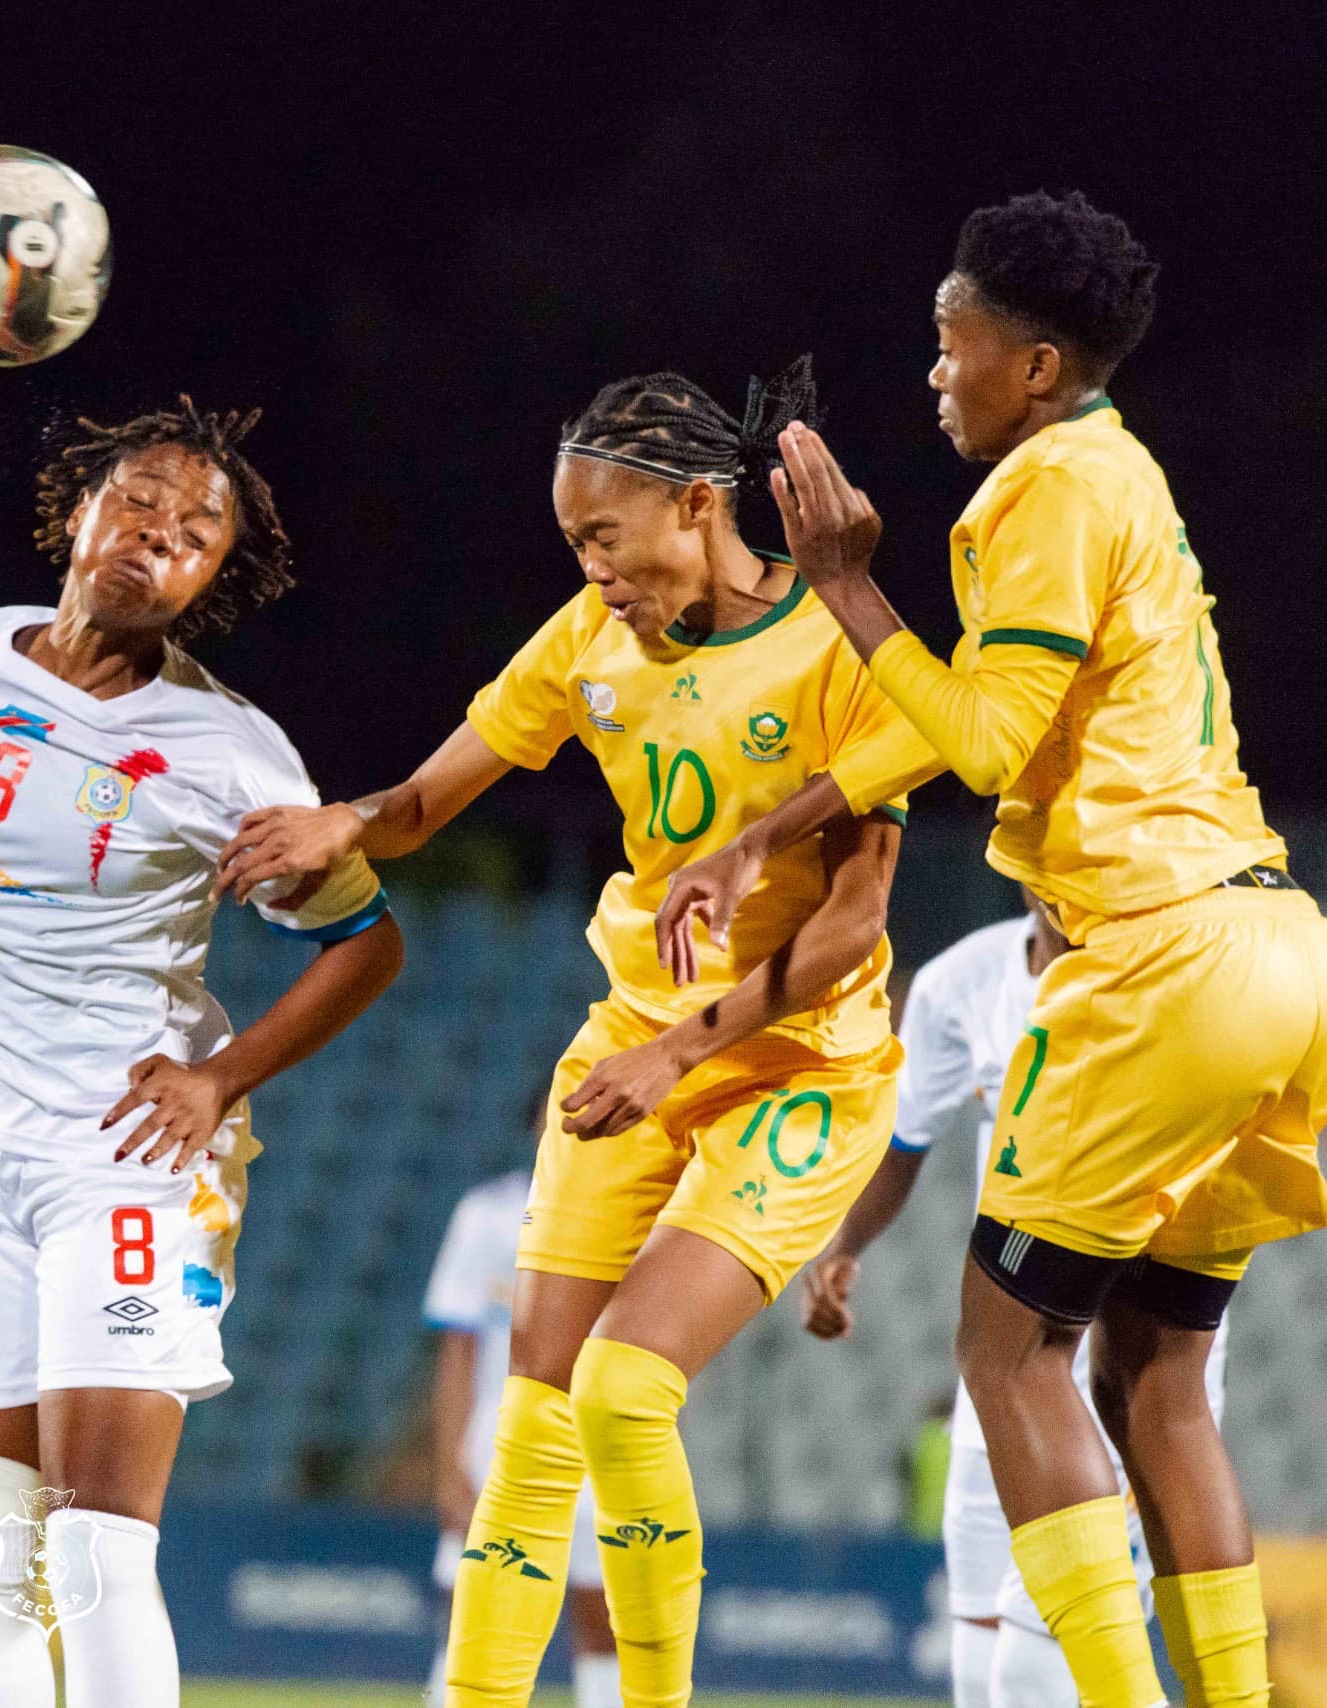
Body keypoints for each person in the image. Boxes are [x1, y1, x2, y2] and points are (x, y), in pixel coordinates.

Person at [657, 190, 1326, 1708]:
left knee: (1006, 1355)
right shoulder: (1119, 477)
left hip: (1150, 955)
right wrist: (783, 824)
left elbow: (983, 738)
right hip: (1271, 946)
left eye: (951, 348)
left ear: (1033, 366)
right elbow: (968, 719)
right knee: (1152, 1373)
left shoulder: (1038, 493)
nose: (934, 375)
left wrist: (841, 581)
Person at [217, 358, 914, 1708]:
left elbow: (852, 925)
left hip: (799, 1071)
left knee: (623, 1389)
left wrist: (684, 1050)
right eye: (572, 543)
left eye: (604, 536)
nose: (590, 568)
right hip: (633, 1046)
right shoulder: (588, 641)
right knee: (534, 1419)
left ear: (698, 507)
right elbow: (431, 797)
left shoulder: (839, 644)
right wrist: (348, 823)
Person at [0, 398, 407, 1708]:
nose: (159, 535)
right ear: (78, 512)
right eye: (141, 501)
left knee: (93, 1551)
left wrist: (220, 1080)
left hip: (119, 1153)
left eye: (196, 533)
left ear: (211, 583)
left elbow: (369, 945)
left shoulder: (227, 755)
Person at [804, 894, 1231, 1708]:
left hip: (1127, 1368)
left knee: (1048, 1637)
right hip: (1006, 1362)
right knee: (981, 1635)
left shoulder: (1173, 975)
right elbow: (904, 1142)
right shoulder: (958, 986)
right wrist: (843, 1247)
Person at [425, 1156, 618, 1708]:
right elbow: (457, 1342)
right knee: (475, 1605)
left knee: (603, 1612)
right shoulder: (488, 1215)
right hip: (499, 1433)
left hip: (596, 1438)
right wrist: (449, 1463)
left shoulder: (646, 1209)